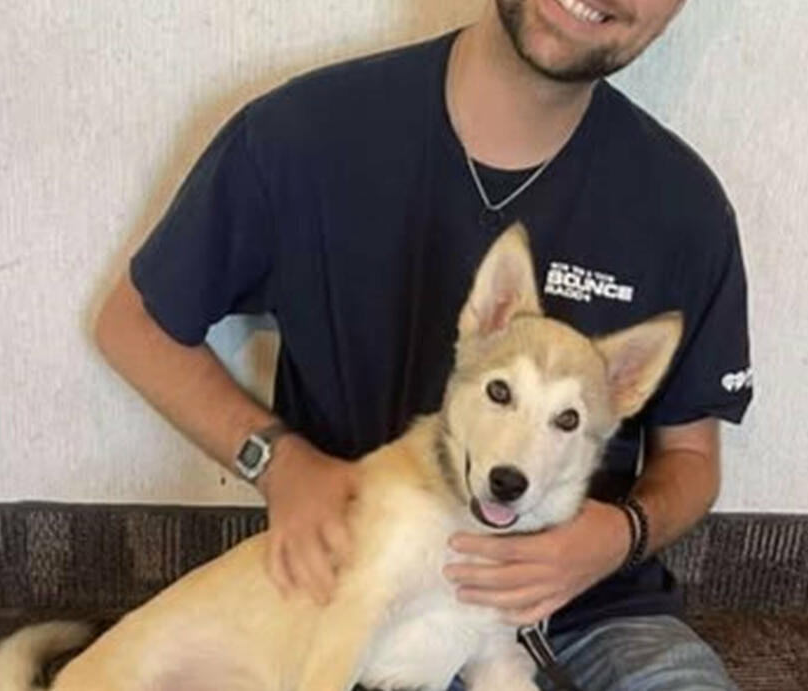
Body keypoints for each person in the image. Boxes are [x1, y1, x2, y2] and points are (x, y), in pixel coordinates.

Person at [94, 0, 753, 688]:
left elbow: (691, 456)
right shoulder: (305, 133)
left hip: (596, 612)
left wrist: (620, 535)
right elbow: (132, 326)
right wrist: (277, 460)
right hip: (372, 600)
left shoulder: (683, 206)